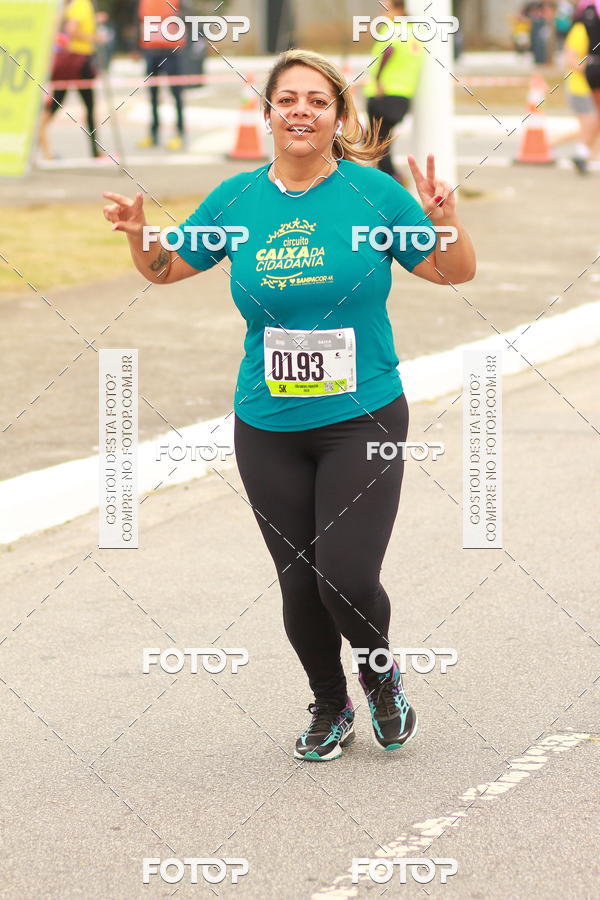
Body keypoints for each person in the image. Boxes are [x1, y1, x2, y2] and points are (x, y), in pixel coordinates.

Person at [102, 49, 476, 762]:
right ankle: (329, 706)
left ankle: (381, 676)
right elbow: (167, 269)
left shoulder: (375, 197)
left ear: (338, 117)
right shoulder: (239, 201)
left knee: (347, 573)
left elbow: (450, 271)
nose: (301, 110)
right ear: (268, 111)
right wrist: (140, 237)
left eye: (318, 100)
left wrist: (448, 220)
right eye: (288, 99)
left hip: (362, 417)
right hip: (267, 424)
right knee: (299, 582)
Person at [363, 0, 424, 184]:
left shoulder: (392, 30)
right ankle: (390, 177)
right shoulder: (415, 32)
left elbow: (388, 50)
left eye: (386, 8)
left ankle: (392, 179)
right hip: (403, 95)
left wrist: (379, 79)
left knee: (376, 143)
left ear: (399, 9)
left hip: (384, 94)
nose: (382, 13)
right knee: (381, 140)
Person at [39, 0, 103, 160]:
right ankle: (95, 151)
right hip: (78, 60)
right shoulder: (81, 4)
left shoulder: (72, 5)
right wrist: (95, 38)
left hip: (72, 60)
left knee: (57, 104)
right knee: (86, 105)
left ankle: (41, 141)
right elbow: (71, 30)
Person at [137, 0, 187, 150]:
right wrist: (137, 48)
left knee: (176, 94)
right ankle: (153, 134)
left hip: (171, 51)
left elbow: (187, 16)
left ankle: (179, 134)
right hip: (151, 51)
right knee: (152, 95)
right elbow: (140, 21)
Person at [558, 5, 600, 172]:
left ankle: (585, 155)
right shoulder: (579, 29)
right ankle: (582, 154)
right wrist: (589, 68)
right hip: (578, 85)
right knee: (591, 122)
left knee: (591, 125)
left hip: (586, 85)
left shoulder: (590, 33)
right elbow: (570, 58)